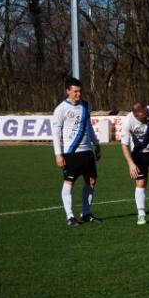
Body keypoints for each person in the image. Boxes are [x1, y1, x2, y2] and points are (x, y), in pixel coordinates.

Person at [51, 76, 102, 225]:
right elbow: (55, 133)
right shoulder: (61, 109)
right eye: (75, 92)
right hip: (70, 152)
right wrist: (58, 154)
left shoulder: (86, 105)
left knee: (91, 180)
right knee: (69, 182)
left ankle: (86, 213)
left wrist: (96, 144)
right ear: (67, 91)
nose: (78, 94)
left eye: (80, 91)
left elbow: (89, 126)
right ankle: (70, 216)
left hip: (87, 151)